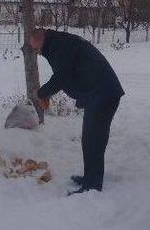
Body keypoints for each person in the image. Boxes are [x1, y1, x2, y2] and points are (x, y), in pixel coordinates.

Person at [27, 29, 124, 195]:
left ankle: (92, 184)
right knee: (90, 138)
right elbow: (68, 73)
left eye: (37, 49)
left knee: (94, 139)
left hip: (103, 93)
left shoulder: (60, 45)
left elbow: (61, 76)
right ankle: (90, 177)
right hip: (97, 94)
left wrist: (41, 93)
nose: (37, 53)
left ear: (41, 40)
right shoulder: (58, 43)